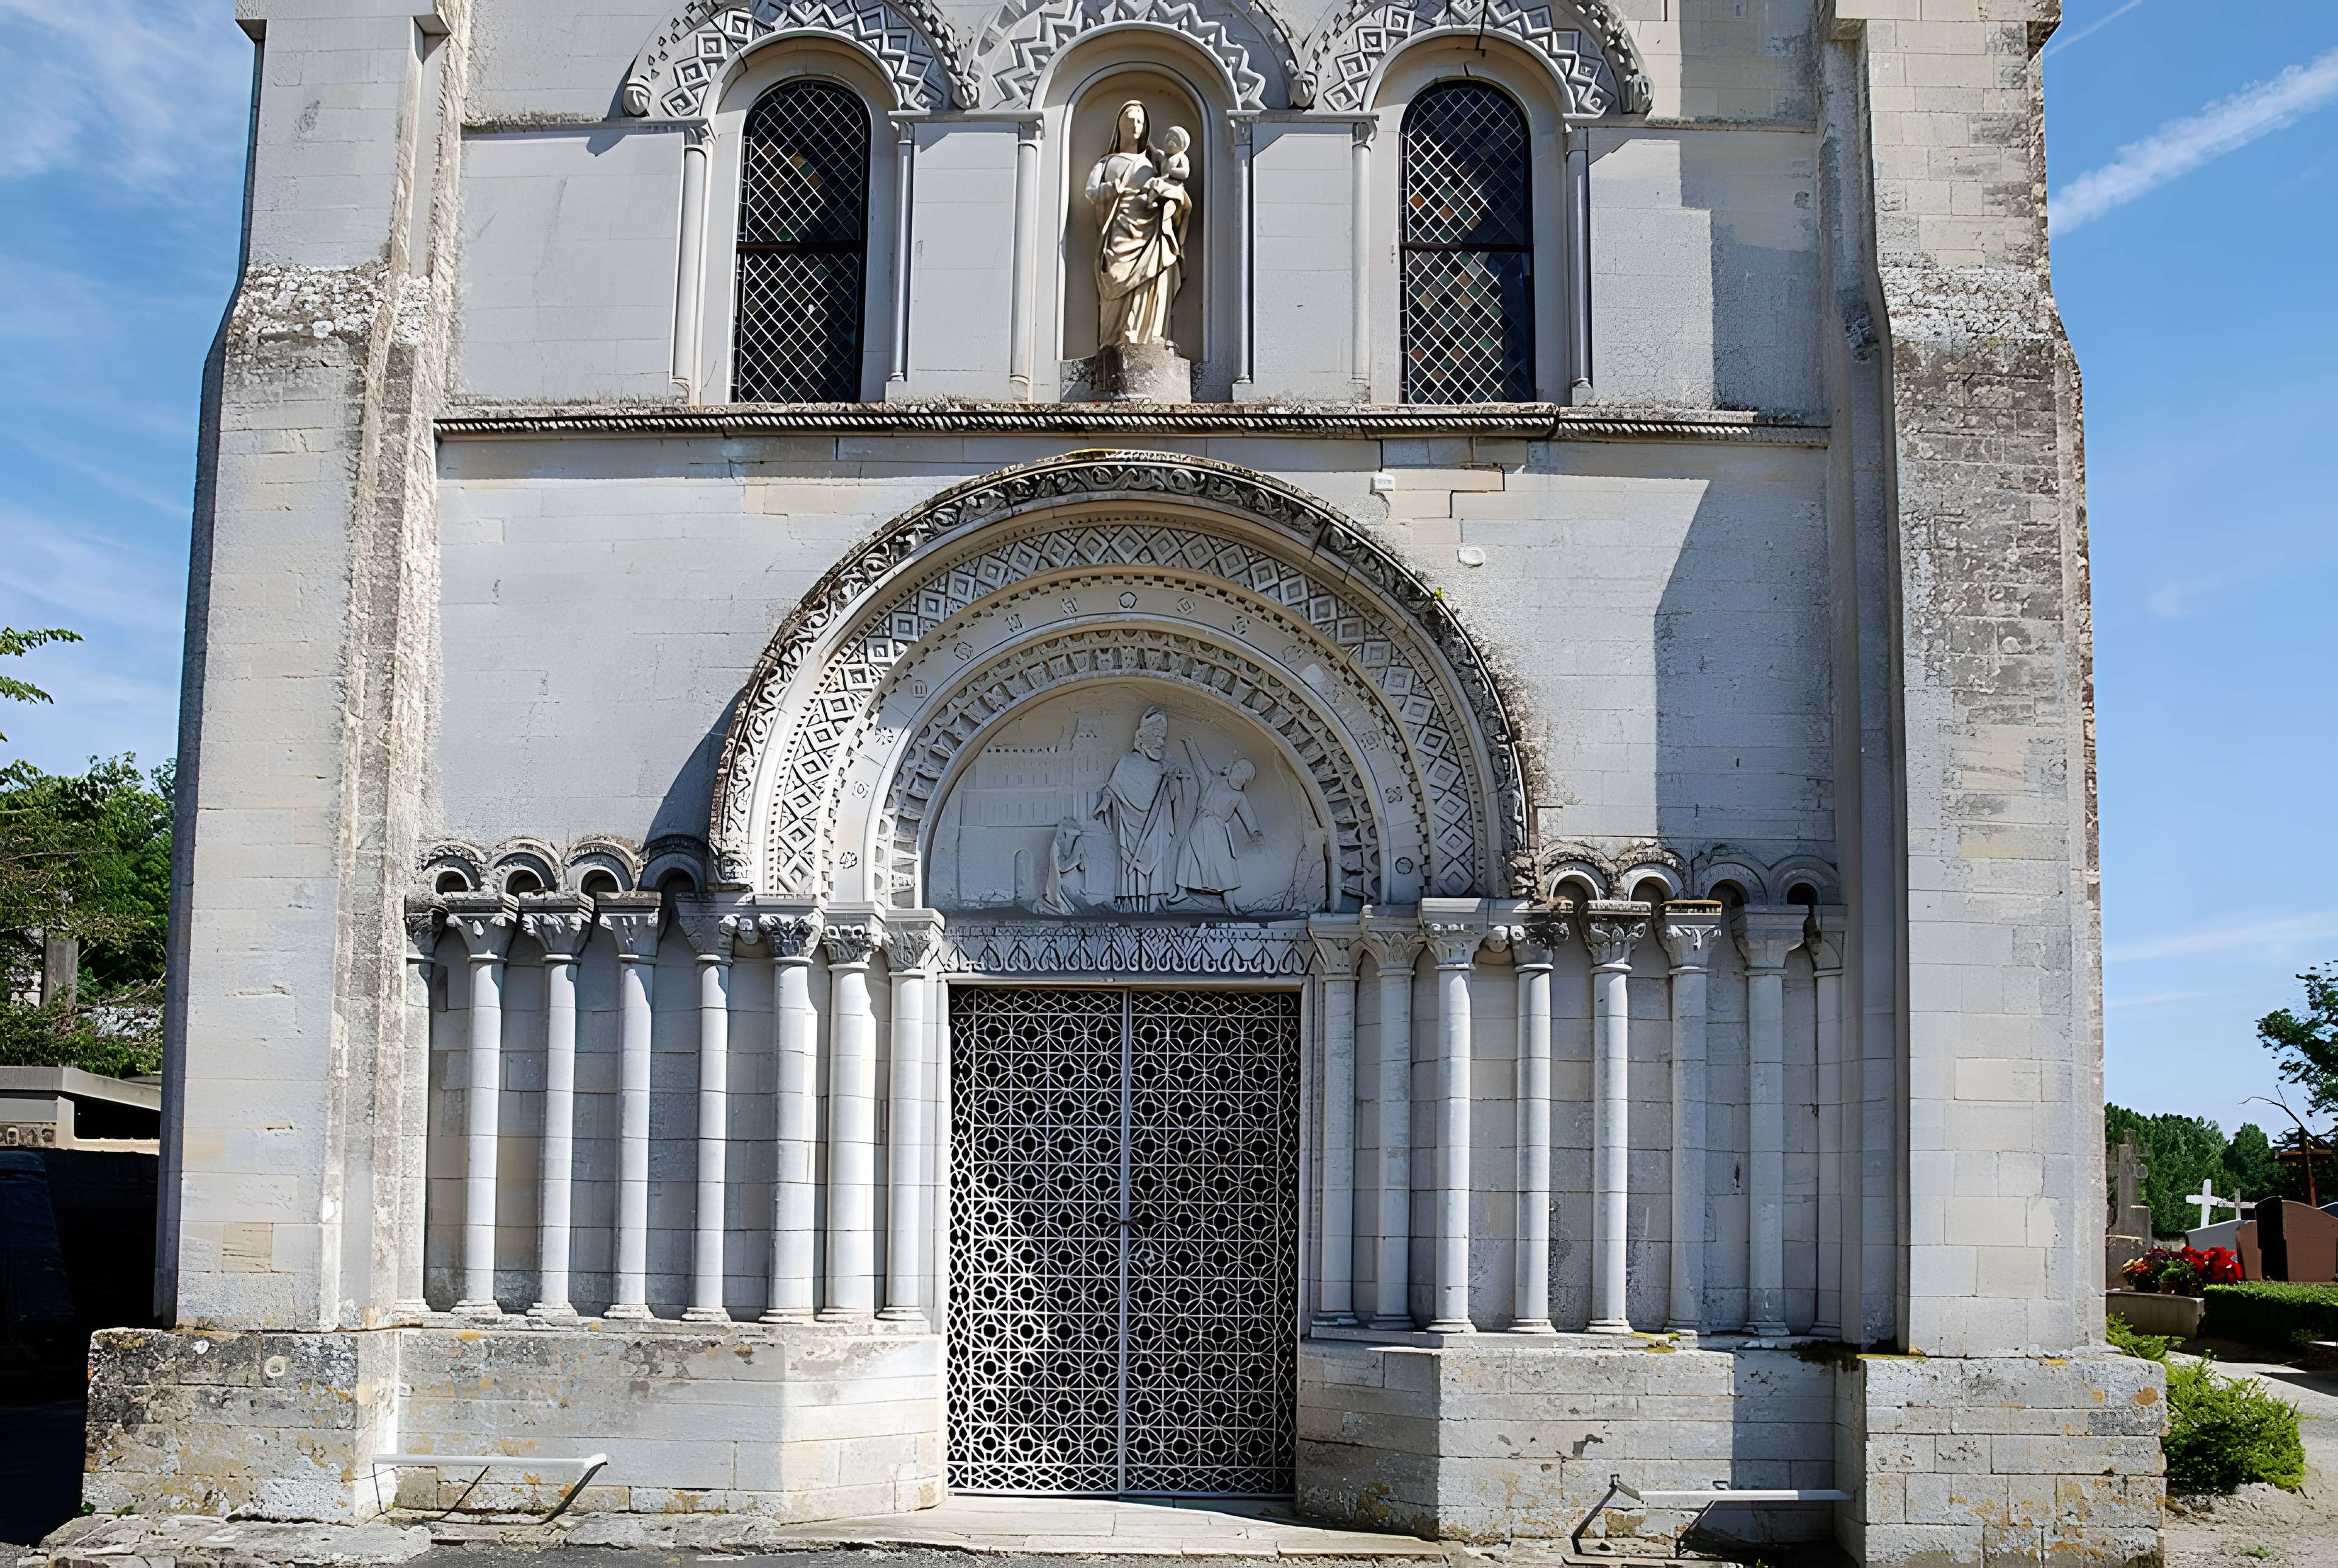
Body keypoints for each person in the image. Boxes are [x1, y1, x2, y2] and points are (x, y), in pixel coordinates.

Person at [1085, 101, 1193, 351]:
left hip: (1152, 228)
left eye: (1140, 122)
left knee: (1154, 276)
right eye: (1130, 119)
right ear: (1119, 123)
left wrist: (1168, 194)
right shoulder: (1106, 162)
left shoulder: (1155, 160)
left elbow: (1176, 186)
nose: (1135, 125)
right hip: (1120, 229)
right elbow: (1091, 192)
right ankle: (1113, 339)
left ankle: (1150, 335)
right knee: (1114, 279)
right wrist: (1114, 189)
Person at [1093, 705, 1188, 911]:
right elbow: (1112, 788)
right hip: (1129, 824)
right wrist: (1104, 804)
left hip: (1156, 825)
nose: (1160, 741)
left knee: (1156, 861)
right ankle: (1131, 902)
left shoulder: (1164, 766)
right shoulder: (1126, 762)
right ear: (1141, 738)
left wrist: (1174, 782)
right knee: (1130, 863)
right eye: (1155, 736)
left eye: (1162, 737)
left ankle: (1154, 902)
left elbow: (1173, 796)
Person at [1173, 756, 1260, 912]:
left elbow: (1249, 817)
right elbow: (1201, 767)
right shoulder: (1216, 781)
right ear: (1233, 768)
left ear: (1246, 780)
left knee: (1223, 864)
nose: (1239, 773)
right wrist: (1190, 744)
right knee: (1188, 854)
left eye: (1244, 773)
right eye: (1239, 768)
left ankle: (1230, 902)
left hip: (1217, 829)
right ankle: (1181, 892)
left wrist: (1256, 834)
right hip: (1200, 823)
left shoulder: (1239, 796)